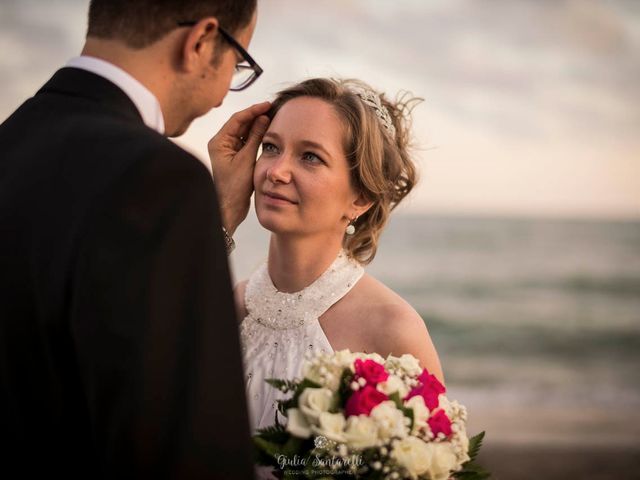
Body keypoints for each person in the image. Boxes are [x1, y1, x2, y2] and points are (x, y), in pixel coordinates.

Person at [0, 0, 268, 478]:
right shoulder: (160, 179)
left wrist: (219, 215)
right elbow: (184, 446)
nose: (226, 94)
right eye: (238, 63)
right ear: (202, 42)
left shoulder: (11, 142)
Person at [236, 78, 444, 432]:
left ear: (360, 197)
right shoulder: (233, 304)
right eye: (270, 148)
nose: (276, 171)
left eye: (310, 157)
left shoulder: (393, 329)